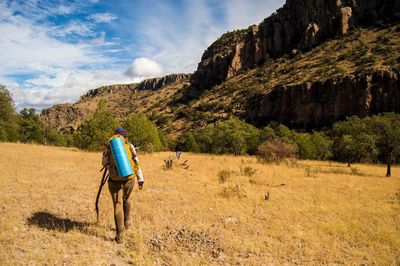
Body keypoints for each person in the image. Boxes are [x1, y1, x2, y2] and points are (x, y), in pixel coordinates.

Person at [102, 128, 144, 243]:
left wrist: (111, 167)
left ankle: (120, 235)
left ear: (115, 135)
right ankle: (127, 222)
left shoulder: (110, 146)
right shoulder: (129, 146)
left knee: (117, 204)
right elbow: (136, 162)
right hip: (129, 177)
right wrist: (141, 179)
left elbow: (104, 163)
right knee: (126, 199)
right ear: (125, 136)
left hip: (114, 178)